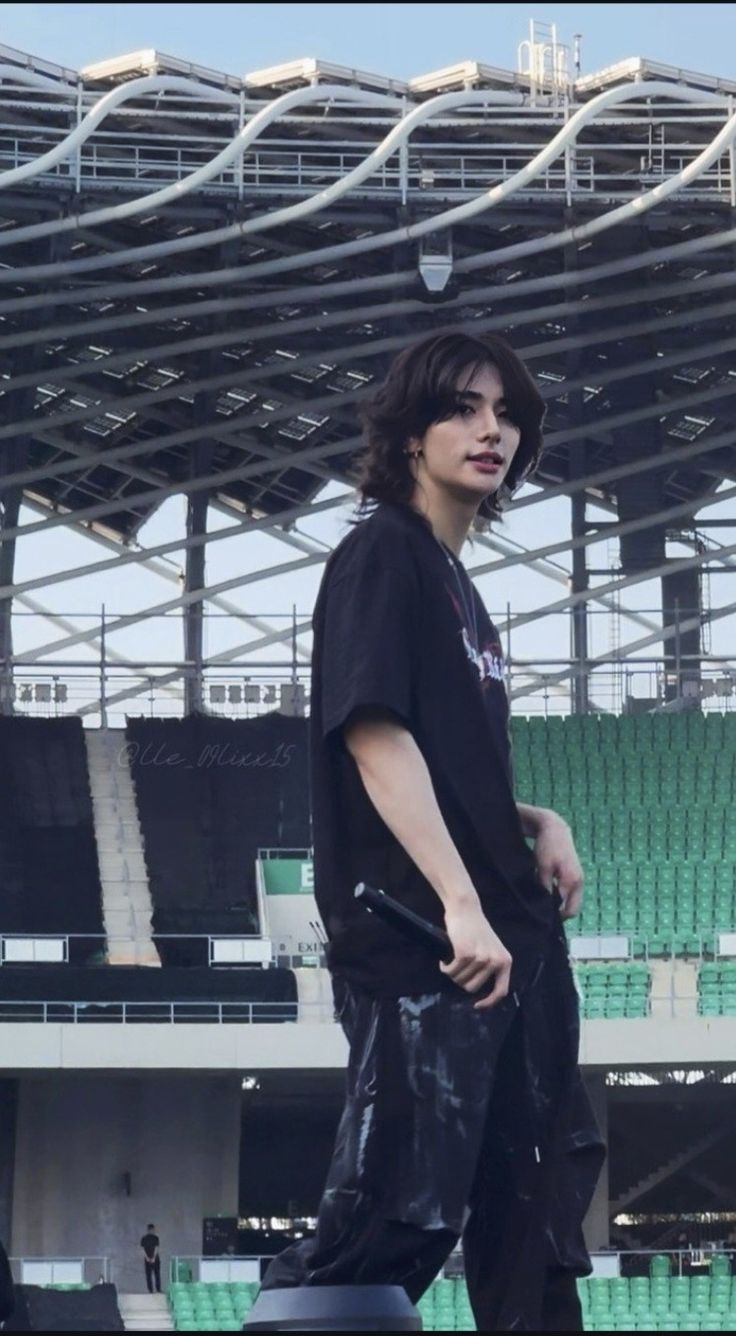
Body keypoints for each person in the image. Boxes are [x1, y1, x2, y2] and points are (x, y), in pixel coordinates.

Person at [261, 328, 605, 1330]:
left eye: (505, 414)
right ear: (411, 433)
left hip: (509, 940)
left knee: (537, 1213)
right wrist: (459, 904)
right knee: (394, 1209)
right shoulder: (382, 556)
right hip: (429, 944)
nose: (488, 429)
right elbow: (374, 737)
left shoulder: (460, 591)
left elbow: (449, 765)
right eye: (462, 407)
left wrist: (539, 816)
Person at [140, 1224, 161, 1295]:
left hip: (155, 1259)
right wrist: (147, 1258)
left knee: (157, 1274)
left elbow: (156, 1248)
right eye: (152, 1230)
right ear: (149, 1230)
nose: (153, 1231)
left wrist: (153, 1257)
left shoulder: (156, 1238)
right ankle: (151, 1290)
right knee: (148, 1275)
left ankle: (158, 1289)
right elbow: (142, 1249)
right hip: (148, 1259)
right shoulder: (144, 1238)